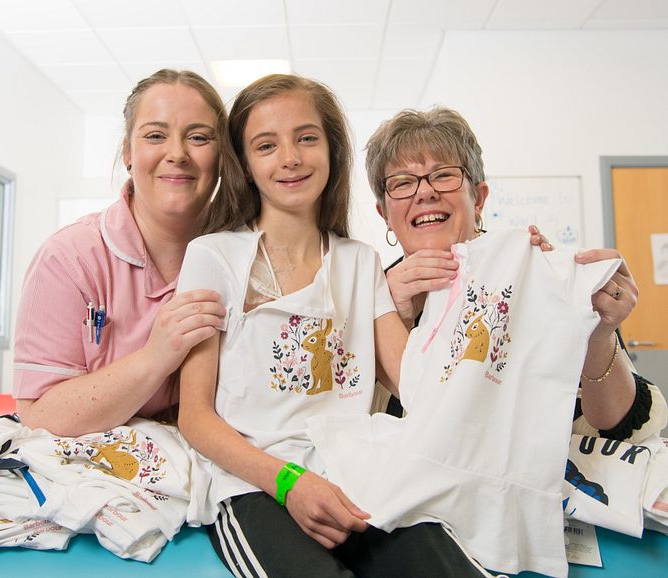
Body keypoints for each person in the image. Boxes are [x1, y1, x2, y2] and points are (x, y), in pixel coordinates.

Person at [177, 75, 487, 577]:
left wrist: (494, 279)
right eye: (266, 145)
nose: (290, 157)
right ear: (246, 164)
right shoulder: (213, 257)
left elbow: (418, 383)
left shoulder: (361, 263)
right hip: (257, 487)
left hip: (357, 472)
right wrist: (289, 483)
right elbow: (195, 417)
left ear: (331, 150)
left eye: (306, 138)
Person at [366, 107, 666, 440]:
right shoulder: (364, 298)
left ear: (478, 199)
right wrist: (391, 317)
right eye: (403, 182)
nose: (425, 192)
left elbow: (618, 427)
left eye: (443, 175)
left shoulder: (535, 275)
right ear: (385, 214)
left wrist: (600, 334)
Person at [12, 70, 228, 437]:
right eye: (156, 135)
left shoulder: (245, 259)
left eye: (198, 137)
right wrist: (153, 359)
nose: (177, 154)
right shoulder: (69, 259)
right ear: (128, 153)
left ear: (223, 156)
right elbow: (39, 414)